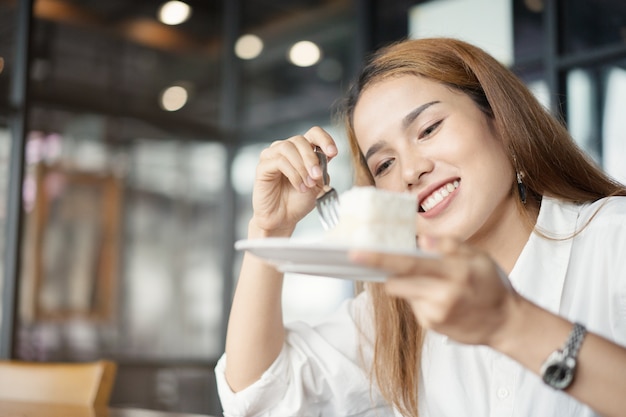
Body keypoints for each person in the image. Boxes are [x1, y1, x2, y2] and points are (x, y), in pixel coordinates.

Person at [214, 37, 626, 417]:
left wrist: (512, 323)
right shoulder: (398, 311)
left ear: (499, 120)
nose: (411, 170)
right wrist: (270, 229)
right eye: (385, 165)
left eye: (428, 129)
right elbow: (260, 396)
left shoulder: (613, 240)